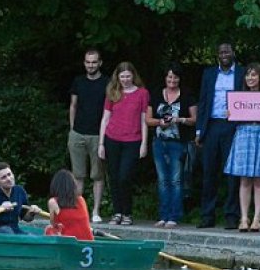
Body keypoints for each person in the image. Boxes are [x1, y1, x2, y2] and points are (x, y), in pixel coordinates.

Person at [195, 42, 246, 229]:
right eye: (221, 51)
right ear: (217, 55)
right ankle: (207, 216)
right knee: (209, 172)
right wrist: (199, 130)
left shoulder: (242, 72)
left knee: (232, 172)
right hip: (211, 126)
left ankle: (232, 216)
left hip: (233, 126)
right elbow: (203, 102)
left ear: (233, 52)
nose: (224, 54)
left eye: (227, 51)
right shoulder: (209, 74)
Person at [224, 63, 260, 232]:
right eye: (248, 75)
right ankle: (244, 218)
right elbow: (232, 117)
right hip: (243, 135)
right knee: (245, 179)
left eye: (254, 75)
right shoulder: (239, 96)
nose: (250, 78)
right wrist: (229, 114)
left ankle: (257, 218)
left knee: (259, 178)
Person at [145, 63, 197, 229]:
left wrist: (178, 120)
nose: (172, 80)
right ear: (165, 78)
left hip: (178, 142)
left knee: (175, 179)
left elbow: (194, 119)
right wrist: (160, 122)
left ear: (179, 79)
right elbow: (148, 119)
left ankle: (174, 215)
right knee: (162, 180)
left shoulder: (187, 95)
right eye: (169, 77)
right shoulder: (156, 94)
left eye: (175, 77)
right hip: (159, 142)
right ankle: (163, 215)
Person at [98, 62, 149, 226]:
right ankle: (117, 212)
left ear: (133, 76)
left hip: (133, 140)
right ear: (117, 77)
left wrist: (144, 143)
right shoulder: (113, 92)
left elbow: (144, 120)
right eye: (122, 76)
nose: (125, 79)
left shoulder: (142, 93)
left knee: (124, 176)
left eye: (128, 76)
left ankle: (127, 212)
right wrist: (101, 144)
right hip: (112, 138)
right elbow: (105, 118)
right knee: (113, 177)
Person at [68, 49, 108, 223]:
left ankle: (96, 211)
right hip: (77, 133)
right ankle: (78, 211)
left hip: (98, 135)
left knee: (98, 175)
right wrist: (72, 128)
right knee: (78, 174)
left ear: (100, 63)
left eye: (94, 62)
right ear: (84, 63)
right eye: (87, 62)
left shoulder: (107, 83)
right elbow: (73, 105)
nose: (90, 65)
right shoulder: (78, 81)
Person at [0, 162, 43, 234]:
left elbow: (26, 218)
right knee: (6, 230)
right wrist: (0, 208)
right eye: (3, 177)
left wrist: (31, 213)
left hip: (15, 231)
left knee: (32, 237)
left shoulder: (19, 191)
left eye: (9, 174)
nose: (9, 179)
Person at [43, 169, 94, 241]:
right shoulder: (81, 199)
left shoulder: (53, 202)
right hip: (88, 239)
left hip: (70, 241)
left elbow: (53, 223)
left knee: (48, 228)